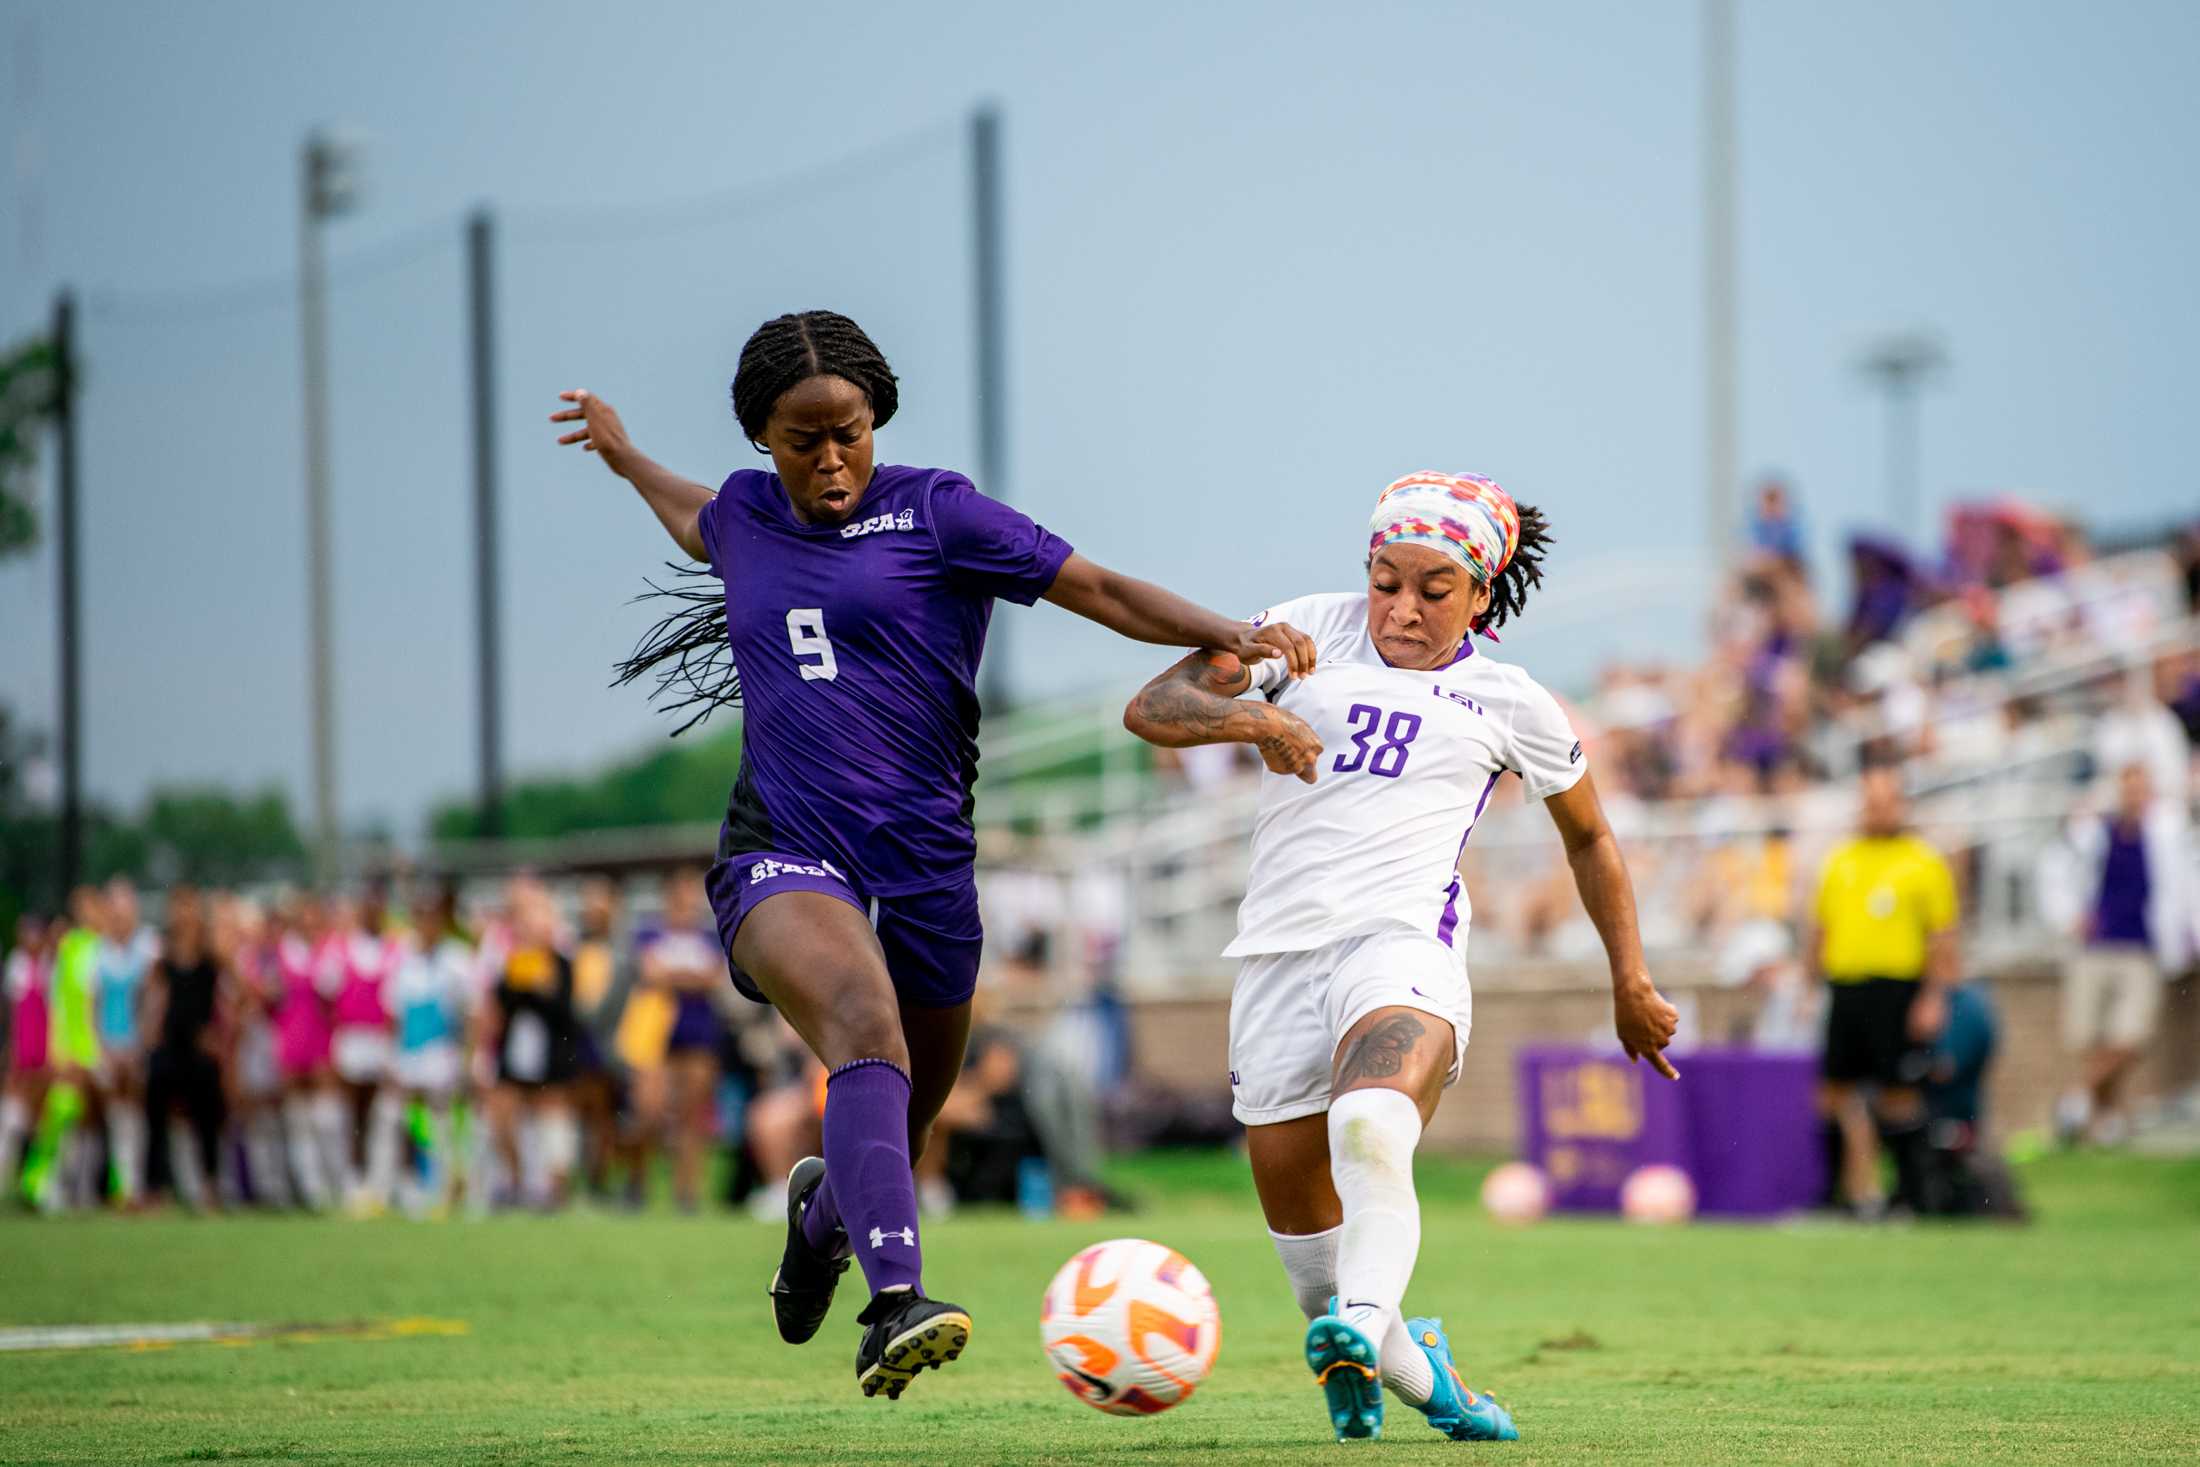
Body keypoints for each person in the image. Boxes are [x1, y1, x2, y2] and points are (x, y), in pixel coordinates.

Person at [551, 308, 1308, 1397]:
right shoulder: (745, 516)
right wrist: (624, 457)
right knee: (865, 1029)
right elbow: (689, 513)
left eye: (847, 431)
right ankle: (895, 1303)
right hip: (784, 854)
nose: (829, 458)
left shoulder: (936, 511)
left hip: (926, 867)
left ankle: (820, 1218)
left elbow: (1095, 588)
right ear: (762, 438)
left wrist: (1230, 630)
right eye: (801, 438)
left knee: (899, 1119)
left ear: (876, 419)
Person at [1120, 471, 1681, 1444]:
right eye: (1386, 580)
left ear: (1481, 592)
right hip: (1274, 962)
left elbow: (1591, 839)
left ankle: (1368, 1324)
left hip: (1401, 947)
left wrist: (1627, 979)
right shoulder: (1301, 632)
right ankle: (1426, 1375)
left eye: (1433, 588)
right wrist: (1251, 713)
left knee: (1373, 1123)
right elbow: (1153, 706)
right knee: (1316, 1283)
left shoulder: (1510, 701)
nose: (1402, 608)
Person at [1804, 764, 1959, 1219]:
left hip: (1897, 990)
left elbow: (1941, 936)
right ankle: (1836, 1197)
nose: (1875, 810)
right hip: (1846, 988)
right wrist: (1809, 985)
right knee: (1832, 1092)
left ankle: (1910, 1197)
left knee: (1897, 1094)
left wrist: (1933, 996)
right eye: (1869, 801)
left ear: (1901, 805)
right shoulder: (1841, 858)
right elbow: (1821, 928)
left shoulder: (1922, 861)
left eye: (1884, 801)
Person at [2055, 763, 2195, 1146]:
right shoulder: (2097, 832)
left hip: (2141, 946)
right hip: (2096, 946)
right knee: (2094, 1036)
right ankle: (2106, 1119)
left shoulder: (2167, 833)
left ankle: (2075, 1098)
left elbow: (2183, 886)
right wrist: (2070, 916)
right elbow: (2062, 874)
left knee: (2131, 1037)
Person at [632, 868, 727, 1213]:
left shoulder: (710, 936)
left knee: (691, 1116)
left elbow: (712, 978)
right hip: (656, 1036)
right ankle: (638, 1181)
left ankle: (686, 1192)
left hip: (698, 1036)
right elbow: (651, 973)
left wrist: (674, 977)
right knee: (649, 1111)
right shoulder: (649, 932)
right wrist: (690, 977)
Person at [390, 882, 474, 1214]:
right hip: (411, 1053)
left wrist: (471, 1056)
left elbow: (471, 1012)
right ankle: (420, 1183)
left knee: (446, 1117)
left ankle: (451, 1184)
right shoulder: (402, 958)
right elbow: (395, 1013)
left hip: (444, 1050)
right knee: (414, 1120)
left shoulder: (457, 959)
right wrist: (393, 1058)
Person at [142, 888, 229, 1210]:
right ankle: (155, 1189)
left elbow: (236, 993)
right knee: (156, 1116)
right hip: (170, 1042)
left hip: (199, 1048)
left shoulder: (211, 956)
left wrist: (220, 1035)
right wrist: (149, 1034)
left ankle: (209, 1186)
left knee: (206, 1118)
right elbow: (153, 999)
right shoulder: (164, 956)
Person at [94, 881, 159, 1207]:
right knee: (113, 1113)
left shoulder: (146, 946)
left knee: (135, 1110)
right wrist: (103, 1046)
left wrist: (141, 1043)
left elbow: (151, 999)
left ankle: (134, 1184)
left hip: (136, 1043)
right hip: (108, 1042)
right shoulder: (98, 950)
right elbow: (94, 1003)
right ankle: (119, 1185)